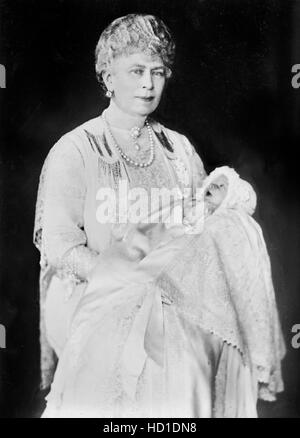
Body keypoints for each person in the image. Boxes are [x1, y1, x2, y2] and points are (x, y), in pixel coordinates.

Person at [33, 14, 285, 418]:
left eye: (158, 72)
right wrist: (121, 279)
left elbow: (201, 229)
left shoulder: (179, 150)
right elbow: (59, 243)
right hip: (103, 309)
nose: (148, 84)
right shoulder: (76, 149)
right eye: (136, 71)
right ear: (107, 76)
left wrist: (218, 202)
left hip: (178, 316)